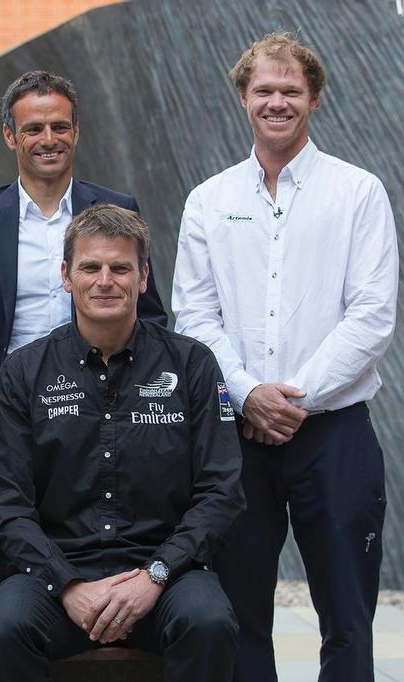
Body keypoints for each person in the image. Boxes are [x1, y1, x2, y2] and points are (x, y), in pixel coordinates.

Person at [172, 32, 398, 682]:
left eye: (290, 90)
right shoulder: (210, 201)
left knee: (348, 618)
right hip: (236, 436)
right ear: (243, 97)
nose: (277, 101)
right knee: (240, 617)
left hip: (334, 435)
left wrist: (291, 397)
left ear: (315, 99)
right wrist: (247, 393)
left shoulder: (358, 193)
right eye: (264, 90)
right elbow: (194, 314)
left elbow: (372, 314)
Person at [0, 204, 243, 682]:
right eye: (90, 267)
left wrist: (154, 576)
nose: (105, 280)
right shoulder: (24, 372)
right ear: (66, 275)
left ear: (143, 277)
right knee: (0, 629)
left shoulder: (193, 367)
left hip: (166, 575)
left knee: (211, 622)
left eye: (120, 268)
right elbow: (4, 502)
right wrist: (68, 584)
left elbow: (221, 491)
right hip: (56, 575)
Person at [0, 70, 168, 594]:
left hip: (103, 416)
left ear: (77, 131)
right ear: (11, 136)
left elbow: (151, 318)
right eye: (33, 128)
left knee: (105, 559)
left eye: (59, 126)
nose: (48, 139)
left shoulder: (116, 210)